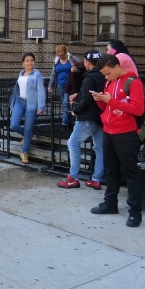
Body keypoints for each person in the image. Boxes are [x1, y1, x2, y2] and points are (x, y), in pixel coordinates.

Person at [90, 54, 145, 227]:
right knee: (111, 170)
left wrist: (110, 100)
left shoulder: (133, 82)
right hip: (109, 131)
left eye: (107, 74)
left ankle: (135, 212)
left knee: (130, 173)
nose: (106, 77)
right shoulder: (110, 82)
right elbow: (108, 107)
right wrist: (101, 100)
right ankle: (110, 203)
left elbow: (137, 109)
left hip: (126, 133)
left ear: (116, 67)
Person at [57, 51, 105, 190]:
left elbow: (87, 100)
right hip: (100, 117)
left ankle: (73, 178)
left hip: (87, 117)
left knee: (73, 143)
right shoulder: (104, 76)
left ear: (87, 62)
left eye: (84, 61)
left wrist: (75, 111)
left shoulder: (89, 78)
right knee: (99, 148)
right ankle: (96, 179)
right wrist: (79, 93)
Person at [9, 52, 46, 164]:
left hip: (31, 103)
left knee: (28, 127)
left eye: (31, 60)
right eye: (27, 61)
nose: (29, 63)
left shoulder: (37, 74)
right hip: (19, 102)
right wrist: (13, 104)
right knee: (14, 125)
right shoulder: (21, 73)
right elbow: (17, 90)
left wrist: (41, 106)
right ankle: (26, 135)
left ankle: (24, 152)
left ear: (34, 62)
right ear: (23, 63)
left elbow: (41, 91)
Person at [48, 45, 82, 129]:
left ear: (66, 52)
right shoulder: (56, 61)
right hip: (60, 85)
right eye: (59, 55)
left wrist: (76, 70)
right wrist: (50, 85)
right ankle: (70, 121)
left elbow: (82, 67)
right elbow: (53, 74)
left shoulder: (72, 59)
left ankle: (64, 123)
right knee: (68, 104)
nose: (60, 57)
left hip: (70, 85)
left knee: (65, 103)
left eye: (62, 55)